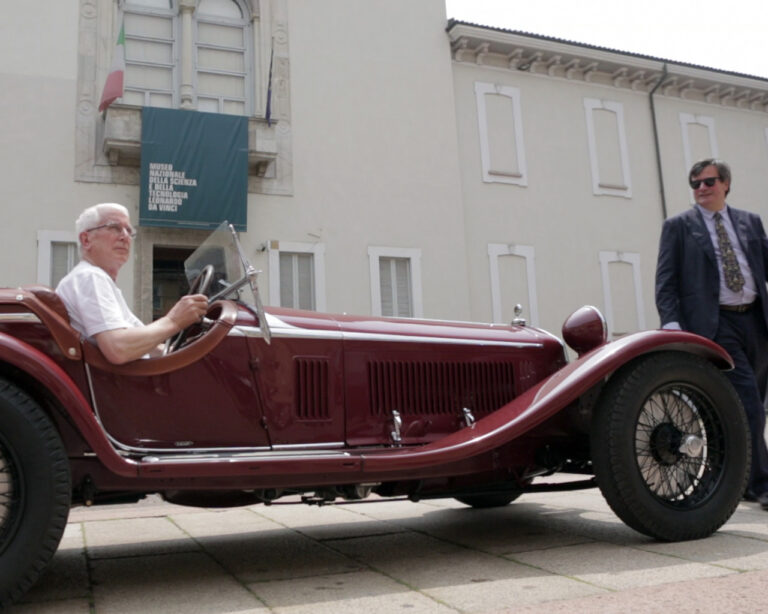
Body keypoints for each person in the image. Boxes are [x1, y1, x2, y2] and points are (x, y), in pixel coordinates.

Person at [655, 158, 768, 509]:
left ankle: (738, 479)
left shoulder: (749, 222)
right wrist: (671, 323)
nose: (701, 188)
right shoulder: (679, 226)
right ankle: (763, 485)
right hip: (715, 324)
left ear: (725, 184)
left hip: (755, 320)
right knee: (748, 401)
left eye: (708, 181)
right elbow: (666, 281)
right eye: (695, 184)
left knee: (752, 405)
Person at [56, 203, 209, 364]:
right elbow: (118, 348)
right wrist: (174, 321)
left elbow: (145, 345)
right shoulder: (90, 277)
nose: (125, 236)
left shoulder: (97, 280)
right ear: (86, 239)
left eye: (129, 231)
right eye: (114, 227)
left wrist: (186, 352)